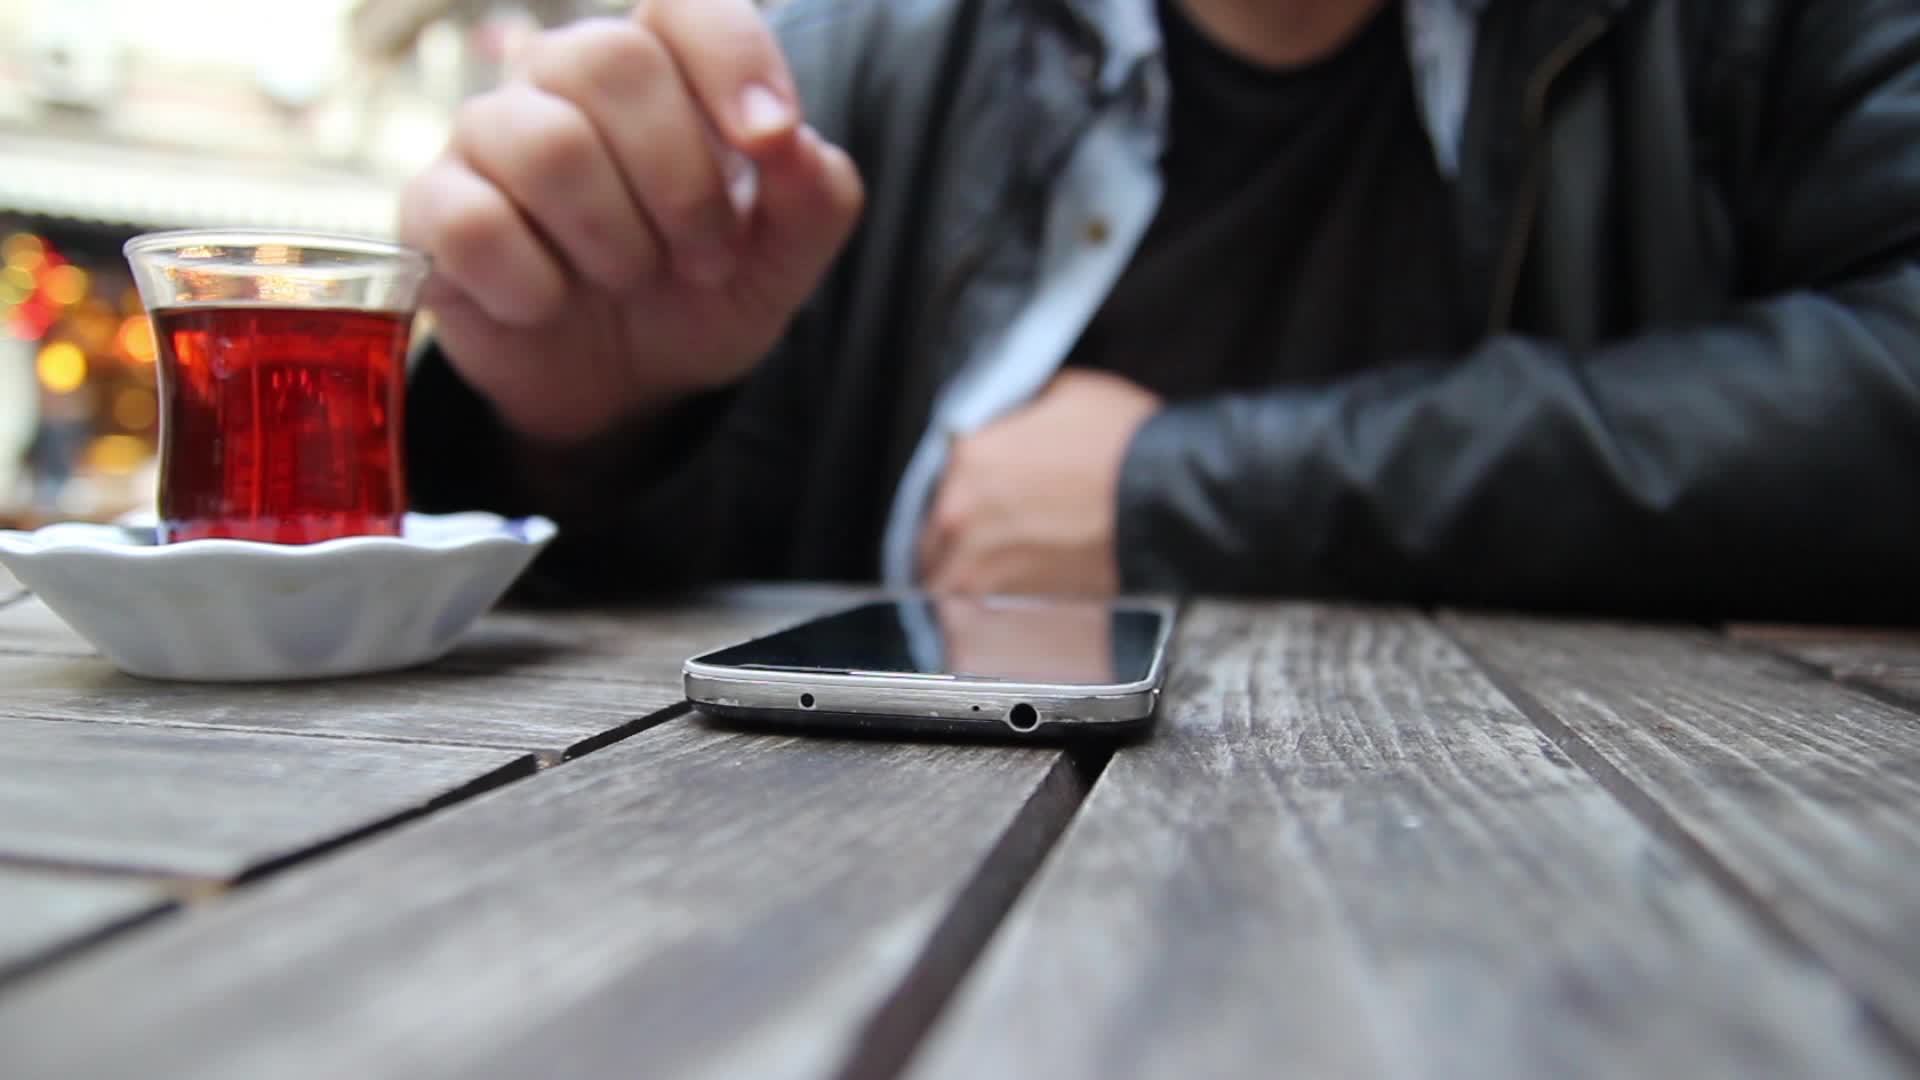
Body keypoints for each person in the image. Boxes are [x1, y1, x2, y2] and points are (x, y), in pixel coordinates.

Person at [400, 0, 1920, 623]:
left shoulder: (1754, 35)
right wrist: (579, 442)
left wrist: (1191, 500)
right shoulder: (833, 76)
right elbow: (648, 677)